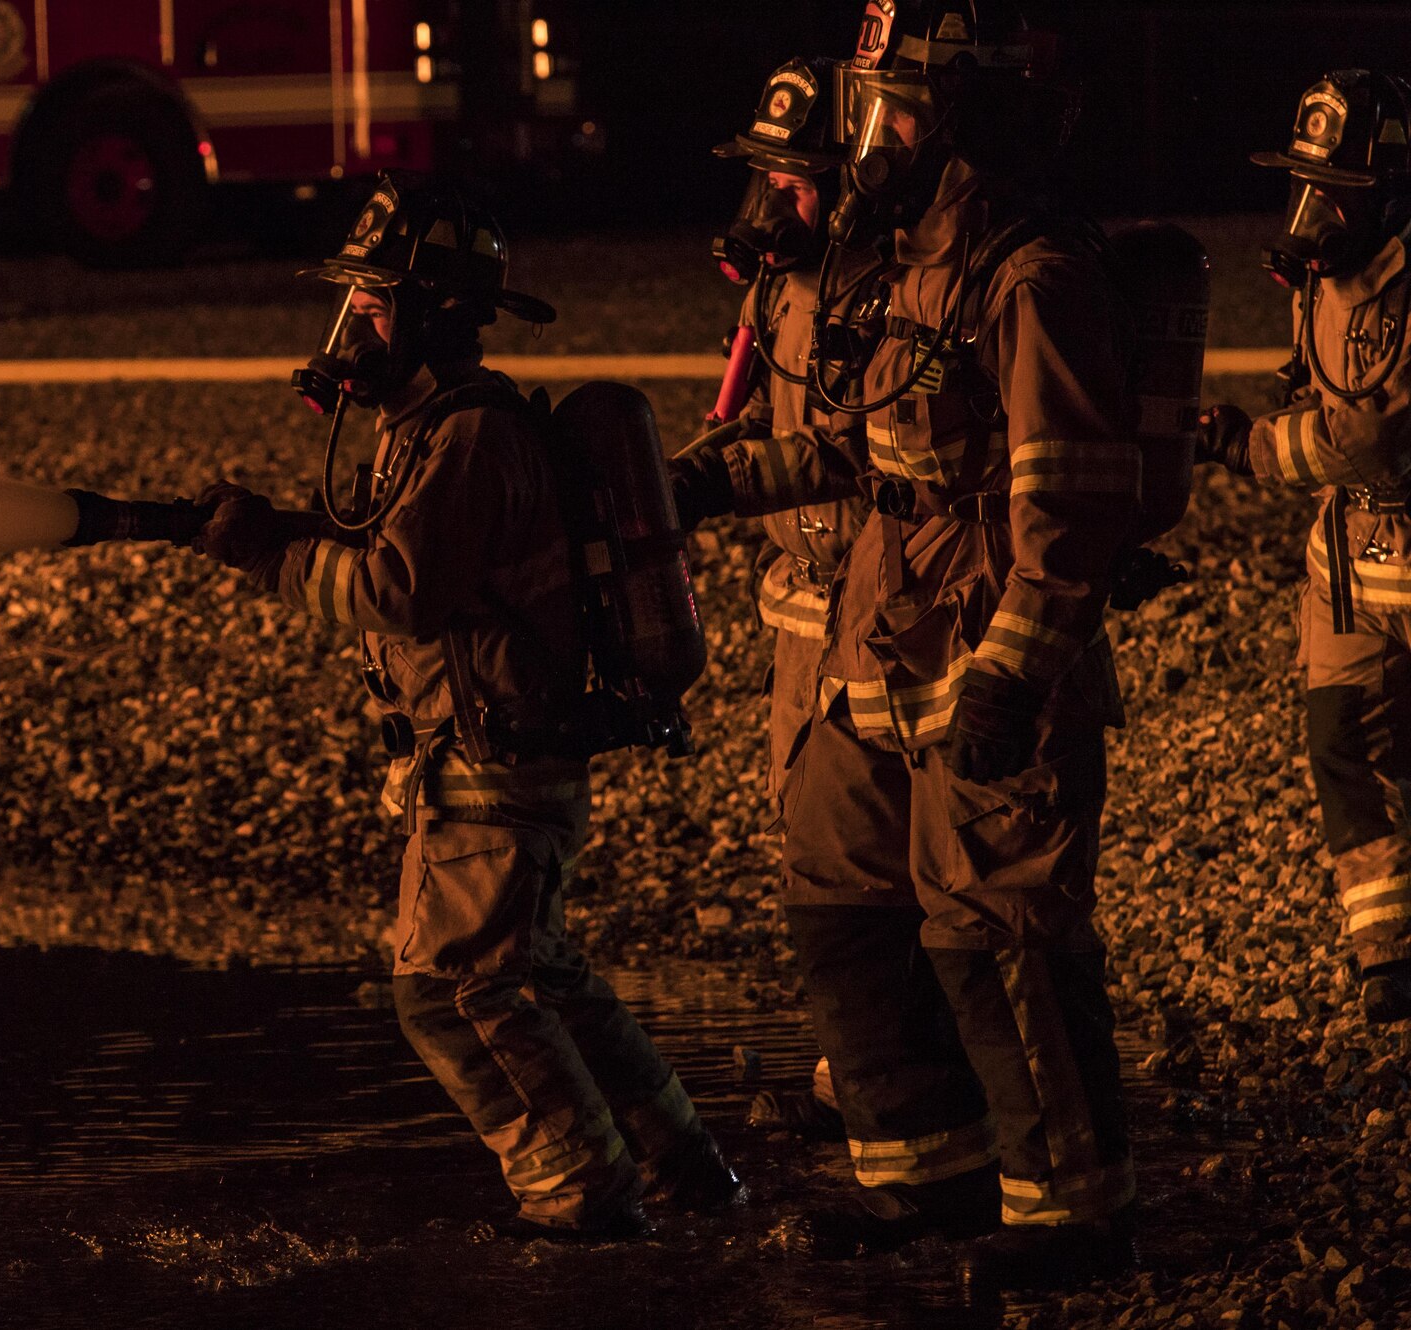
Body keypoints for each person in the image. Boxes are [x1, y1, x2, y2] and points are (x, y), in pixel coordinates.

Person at [671, 1, 1139, 1288]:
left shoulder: (1031, 277)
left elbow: (1073, 497)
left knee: (998, 928)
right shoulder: (894, 266)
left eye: (895, 109)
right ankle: (916, 1171)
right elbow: (848, 441)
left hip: (985, 650)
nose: (867, 134)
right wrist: (714, 483)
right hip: (876, 640)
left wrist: (1014, 665)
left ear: (965, 120)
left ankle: (1072, 1214)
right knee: (837, 898)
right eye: (867, 104)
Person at [193, 177, 739, 1239]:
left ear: (440, 315)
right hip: (480, 760)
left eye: (375, 304)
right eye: (351, 302)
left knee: (452, 994)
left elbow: (399, 591)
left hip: (495, 765)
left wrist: (267, 554)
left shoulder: (471, 440)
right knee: (538, 973)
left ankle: (580, 1199)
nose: (353, 325)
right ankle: (684, 1168)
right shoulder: (425, 429)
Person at [1199, 70, 1411, 1026]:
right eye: (1305, 185)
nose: (1313, 212)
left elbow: (1371, 439)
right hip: (1347, 565)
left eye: (1337, 193)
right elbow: (1323, 386)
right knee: (1342, 745)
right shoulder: (1329, 277)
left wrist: (1249, 445)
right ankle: (1389, 958)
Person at [693, 55, 875, 1141]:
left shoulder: (876, 293)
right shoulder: (777, 285)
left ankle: (877, 1075)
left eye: (794, 182)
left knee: (858, 853)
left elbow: (842, 453)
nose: (771, 205)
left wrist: (718, 482)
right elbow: (736, 418)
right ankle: (851, 1058)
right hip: (794, 613)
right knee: (805, 836)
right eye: (764, 179)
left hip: (865, 598)